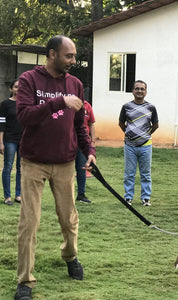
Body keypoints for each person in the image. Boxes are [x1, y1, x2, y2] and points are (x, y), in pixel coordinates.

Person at [14, 35, 96, 300]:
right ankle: (25, 281)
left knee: (69, 219)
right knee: (29, 222)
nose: (73, 60)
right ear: (52, 54)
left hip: (64, 163)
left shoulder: (75, 84)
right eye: (68, 56)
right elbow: (25, 116)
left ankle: (70, 256)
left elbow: (79, 126)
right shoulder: (29, 80)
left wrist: (90, 152)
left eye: (74, 56)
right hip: (33, 162)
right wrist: (60, 102)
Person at [119, 80, 158, 206]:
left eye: (142, 89)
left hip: (146, 146)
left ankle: (145, 198)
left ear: (146, 92)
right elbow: (121, 123)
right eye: (137, 88)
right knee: (129, 173)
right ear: (133, 91)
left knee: (145, 174)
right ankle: (128, 198)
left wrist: (145, 135)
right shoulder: (126, 107)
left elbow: (156, 125)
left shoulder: (151, 107)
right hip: (129, 146)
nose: (139, 91)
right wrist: (130, 133)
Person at [0, 79, 23, 205]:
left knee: (21, 169)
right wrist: (1, 142)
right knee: (8, 167)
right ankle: (7, 196)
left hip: (23, 141)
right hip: (9, 140)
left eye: (21, 87)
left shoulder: (26, 104)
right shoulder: (5, 104)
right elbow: (1, 124)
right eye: (16, 87)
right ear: (11, 89)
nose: (18, 89)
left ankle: (18, 195)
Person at [75, 100, 96, 204]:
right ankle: (65, 196)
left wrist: (93, 141)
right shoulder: (67, 103)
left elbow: (91, 123)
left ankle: (81, 194)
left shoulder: (87, 106)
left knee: (82, 168)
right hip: (68, 142)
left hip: (83, 142)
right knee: (66, 170)